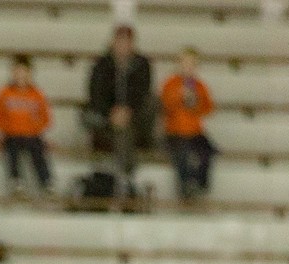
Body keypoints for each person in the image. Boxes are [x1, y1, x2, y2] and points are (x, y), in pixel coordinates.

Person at [82, 25, 156, 202]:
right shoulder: (101, 64)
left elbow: (142, 92)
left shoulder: (142, 64)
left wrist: (127, 111)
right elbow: (95, 93)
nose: (123, 46)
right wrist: (110, 113)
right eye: (120, 41)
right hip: (107, 118)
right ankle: (125, 175)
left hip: (134, 117)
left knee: (135, 120)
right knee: (108, 124)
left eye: (127, 42)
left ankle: (123, 174)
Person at [0, 54, 53, 198]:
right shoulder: (4, 93)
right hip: (11, 134)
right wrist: (7, 128)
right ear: (12, 73)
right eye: (17, 72)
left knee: (38, 152)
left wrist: (35, 128)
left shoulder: (37, 95)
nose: (21, 76)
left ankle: (46, 181)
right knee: (11, 151)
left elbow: (45, 117)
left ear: (30, 73)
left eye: (24, 72)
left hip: (32, 135)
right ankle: (15, 181)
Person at [160, 46, 216, 204]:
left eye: (192, 64)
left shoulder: (200, 86)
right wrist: (180, 95)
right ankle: (184, 186)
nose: (188, 68)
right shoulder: (171, 83)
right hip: (175, 132)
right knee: (182, 155)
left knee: (207, 152)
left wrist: (196, 101)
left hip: (194, 131)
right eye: (185, 64)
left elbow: (208, 108)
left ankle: (201, 183)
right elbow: (165, 105)